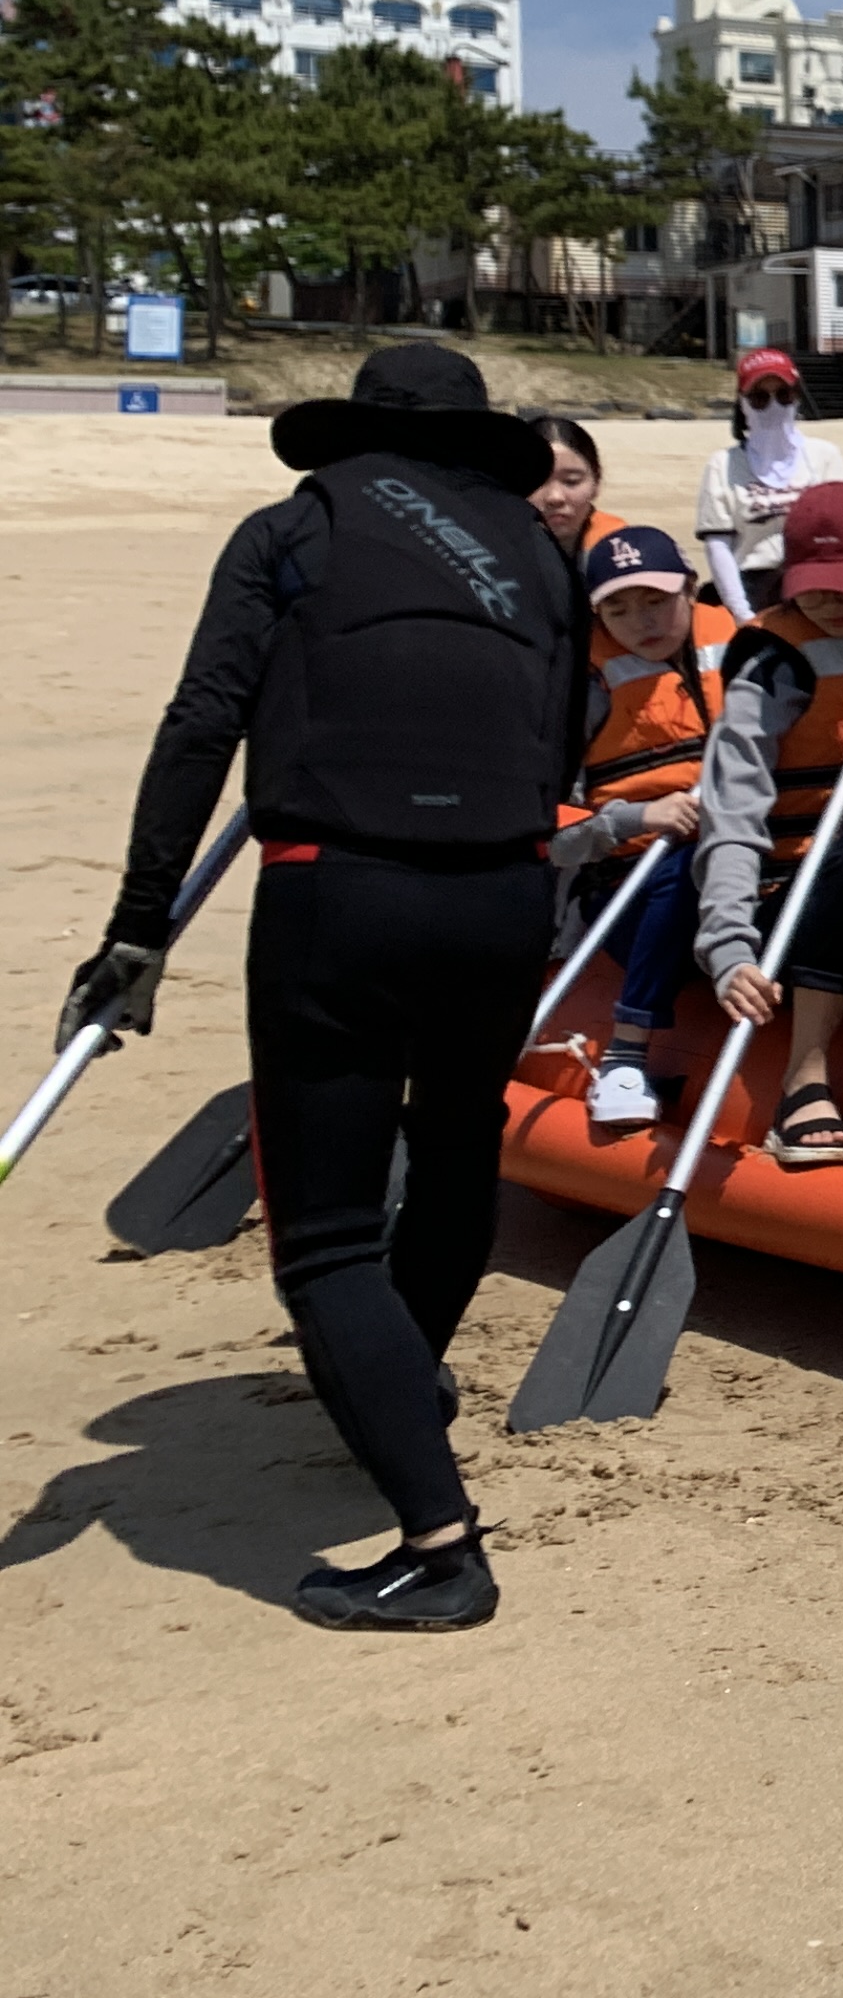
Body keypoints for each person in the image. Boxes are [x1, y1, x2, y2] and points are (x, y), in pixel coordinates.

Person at [69, 344, 579, 1630]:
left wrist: (139, 930)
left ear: (350, 435)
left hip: (341, 896)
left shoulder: (288, 530)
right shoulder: (539, 556)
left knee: (330, 1236)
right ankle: (396, 1380)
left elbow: (201, 724)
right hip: (508, 898)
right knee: (458, 1151)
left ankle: (441, 1545)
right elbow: (558, 738)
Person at [690, 482, 843, 1171]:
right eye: (813, 587)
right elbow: (732, 809)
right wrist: (728, 946)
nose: (829, 603)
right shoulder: (770, 661)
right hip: (791, 890)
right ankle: (805, 1077)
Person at [550, 526, 734, 1129]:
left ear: (688, 590)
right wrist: (633, 818)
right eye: (619, 609)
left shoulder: (742, 653)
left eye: (656, 600)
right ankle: (627, 1048)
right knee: (682, 867)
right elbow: (548, 836)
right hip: (629, 889)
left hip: (747, 873)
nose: (642, 621)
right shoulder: (583, 692)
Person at [695, 351, 843, 617]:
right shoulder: (722, 465)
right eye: (760, 398)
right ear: (743, 404)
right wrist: (740, 611)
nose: (773, 407)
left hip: (817, 583)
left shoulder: (825, 457)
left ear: (796, 398)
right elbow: (718, 545)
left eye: (783, 395)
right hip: (755, 587)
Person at [525, 410, 622, 564]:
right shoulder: (490, 547)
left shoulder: (620, 547)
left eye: (571, 481)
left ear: (596, 481)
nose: (555, 497)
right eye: (538, 480)